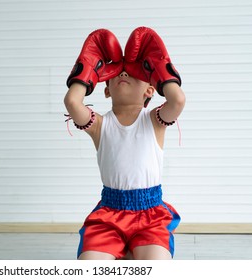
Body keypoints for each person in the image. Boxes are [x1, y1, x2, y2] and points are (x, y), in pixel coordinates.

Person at [64, 27, 185, 260]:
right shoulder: (99, 124)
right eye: (118, 72)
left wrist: (160, 69)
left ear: (150, 88)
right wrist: (86, 70)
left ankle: (131, 251)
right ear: (106, 90)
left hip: (151, 216)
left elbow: (177, 99)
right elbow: (72, 101)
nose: (124, 73)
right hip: (109, 215)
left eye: (132, 72)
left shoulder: (154, 121)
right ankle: (124, 250)